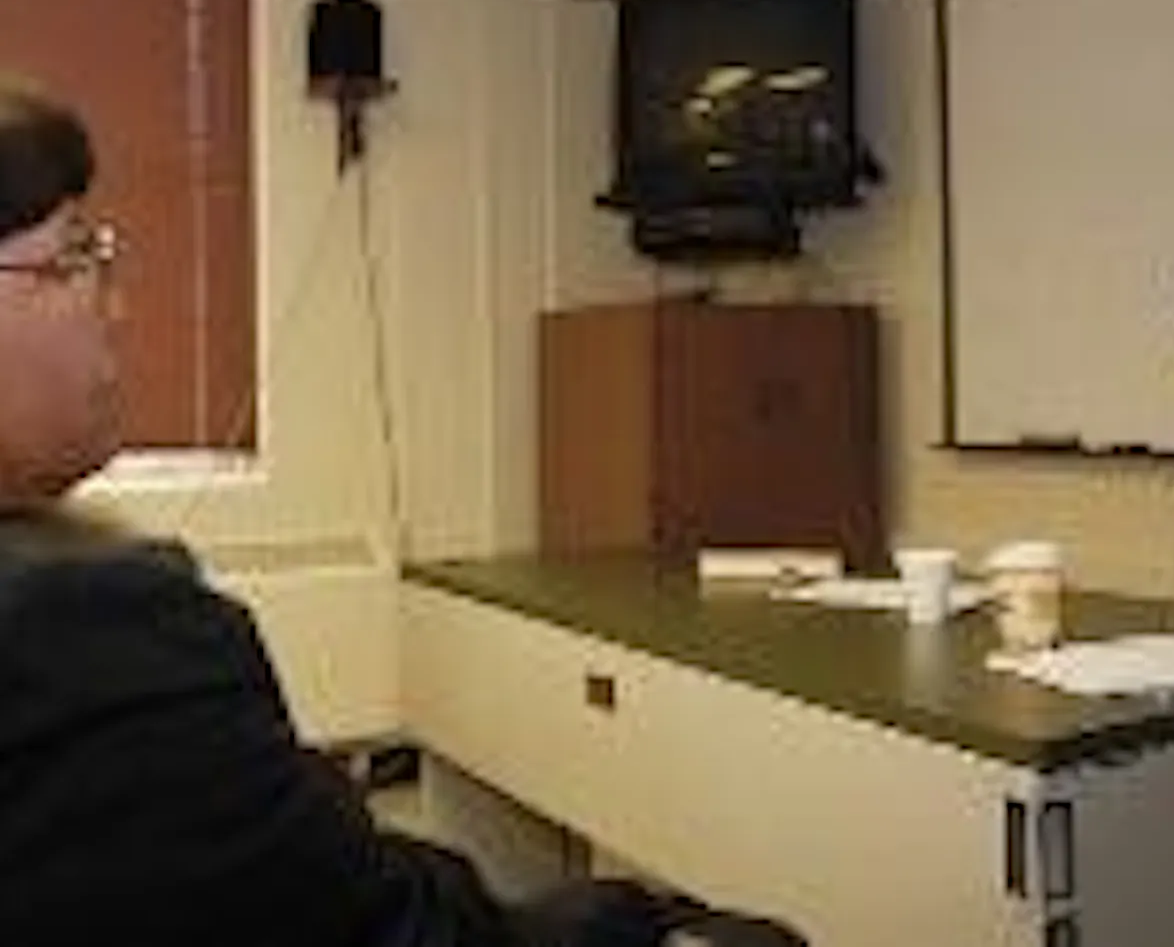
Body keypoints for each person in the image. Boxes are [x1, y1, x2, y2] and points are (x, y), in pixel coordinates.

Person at [0, 87, 803, 947]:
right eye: (76, 254)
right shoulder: (86, 624)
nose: (117, 306)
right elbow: (392, 927)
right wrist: (647, 920)